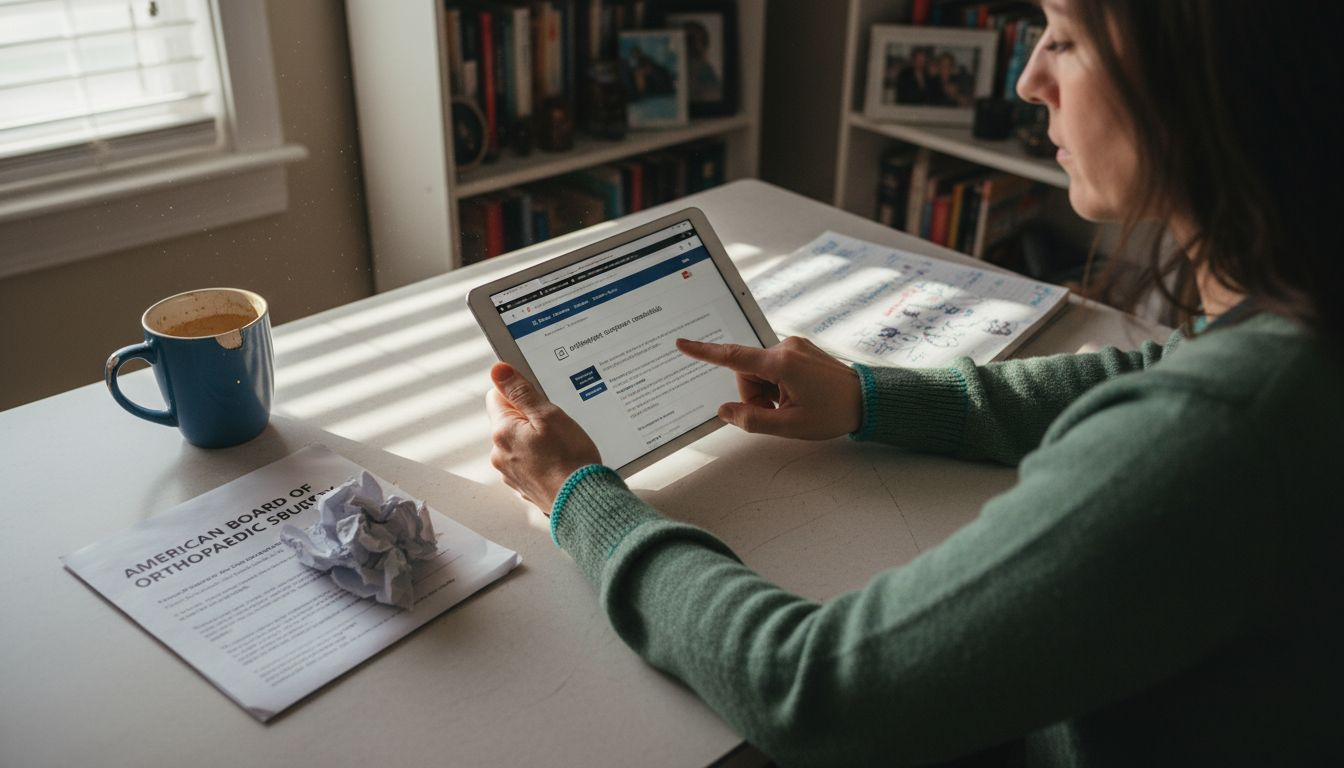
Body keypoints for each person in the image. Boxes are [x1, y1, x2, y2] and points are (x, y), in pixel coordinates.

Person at [486, 0, 1342, 764]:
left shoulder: (1224, 430)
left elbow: (815, 691)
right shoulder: (1291, 313)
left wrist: (579, 496)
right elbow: (1158, 365)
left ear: (1207, 82)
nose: (1028, 76)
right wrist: (871, 396)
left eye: (1068, 39)